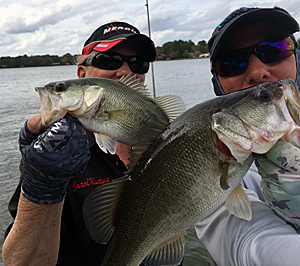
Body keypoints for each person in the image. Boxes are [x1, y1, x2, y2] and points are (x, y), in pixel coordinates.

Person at [2, 21, 158, 266]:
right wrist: (43, 187)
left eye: (139, 64)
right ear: (82, 73)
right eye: (109, 60)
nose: (126, 72)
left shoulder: (162, 138)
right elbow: (20, 262)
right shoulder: (52, 154)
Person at [194, 6, 300, 266]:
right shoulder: (218, 161)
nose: (257, 71)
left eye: (274, 49)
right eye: (232, 63)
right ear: (219, 85)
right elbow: (250, 244)